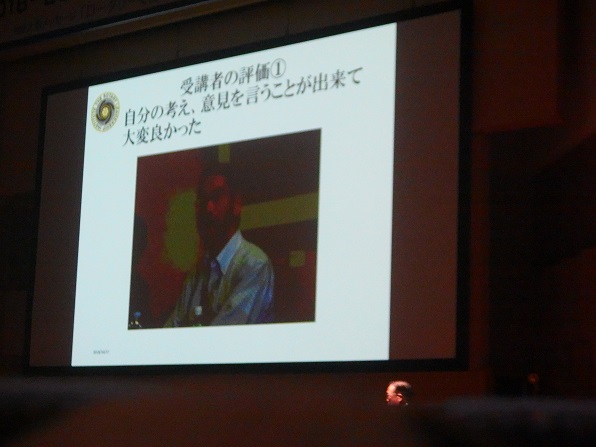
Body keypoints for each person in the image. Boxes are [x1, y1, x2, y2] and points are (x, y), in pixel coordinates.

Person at [164, 167, 274, 327]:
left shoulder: (255, 265)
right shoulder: (198, 272)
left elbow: (221, 337)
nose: (207, 208)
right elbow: (173, 326)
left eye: (216, 197)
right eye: (203, 200)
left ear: (236, 205)